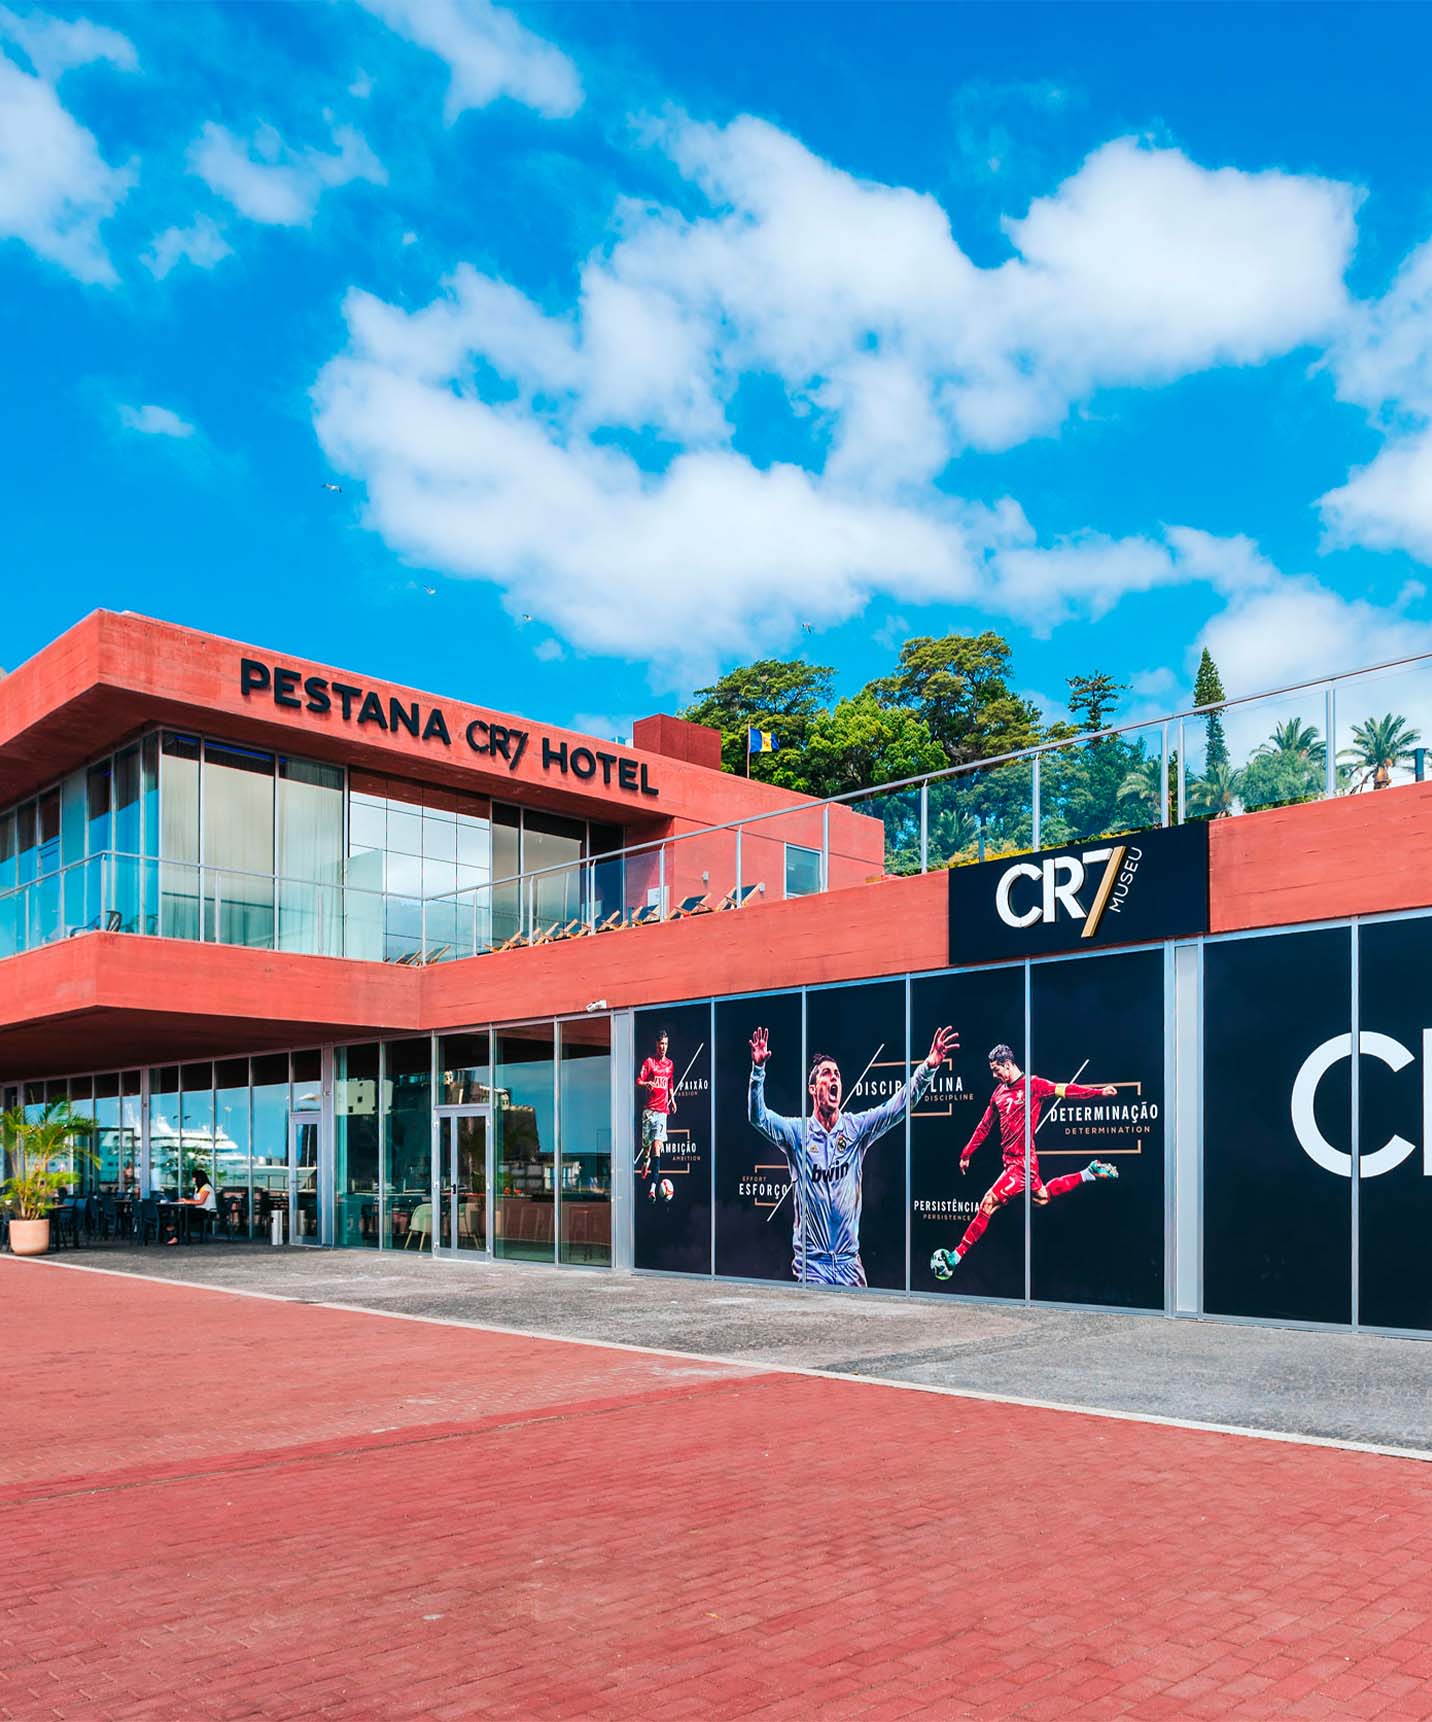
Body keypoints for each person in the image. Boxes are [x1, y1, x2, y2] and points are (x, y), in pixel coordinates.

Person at [749, 1023, 957, 1286]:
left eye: (837, 1074)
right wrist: (758, 1071)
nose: (834, 1078)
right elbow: (759, 1117)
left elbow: (898, 1107)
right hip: (812, 1266)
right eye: (826, 1074)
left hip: (849, 1264)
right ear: (812, 1088)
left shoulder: (855, 1128)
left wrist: (928, 1067)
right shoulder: (796, 1132)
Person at [931, 1043, 1118, 1279]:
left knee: (988, 1202)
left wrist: (1099, 1092)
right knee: (1041, 1198)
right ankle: (1089, 1173)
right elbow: (984, 1125)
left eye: (996, 1070)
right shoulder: (998, 1093)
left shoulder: (1034, 1086)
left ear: (1008, 1065)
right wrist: (966, 1153)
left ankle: (954, 1257)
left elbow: (1066, 1089)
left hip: (1023, 1165)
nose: (994, 1075)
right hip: (1011, 1163)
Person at [636, 1030, 677, 1200]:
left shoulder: (670, 1064)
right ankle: (645, 1162)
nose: (663, 1047)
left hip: (662, 1113)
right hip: (649, 1112)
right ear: (656, 1044)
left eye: (666, 1044)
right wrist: (647, 1084)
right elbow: (638, 1081)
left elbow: (670, 1083)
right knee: (646, 1148)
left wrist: (672, 1100)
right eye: (661, 1044)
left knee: (657, 1147)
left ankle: (652, 1189)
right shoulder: (649, 1062)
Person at [166, 1166, 217, 1244]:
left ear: (198, 1178)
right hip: (200, 1210)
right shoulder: (198, 1188)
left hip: (208, 1211)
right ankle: (178, 1235)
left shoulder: (206, 1187)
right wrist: (185, 1200)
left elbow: (200, 1201)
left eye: (194, 1177)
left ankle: (175, 1232)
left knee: (185, 1214)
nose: (193, 1179)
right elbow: (194, 1200)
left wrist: (187, 1201)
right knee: (183, 1214)